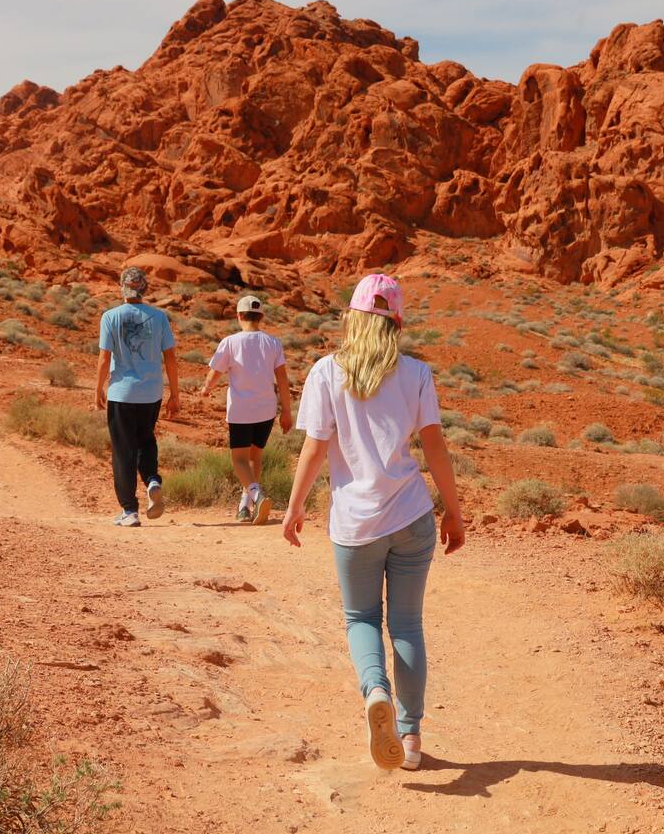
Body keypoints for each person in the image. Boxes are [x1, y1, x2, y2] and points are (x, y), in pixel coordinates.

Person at [282, 273, 465, 772]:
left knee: (361, 618)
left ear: (353, 319)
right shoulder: (417, 373)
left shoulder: (326, 372)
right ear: (397, 324)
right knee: (407, 623)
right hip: (411, 515)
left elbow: (315, 447)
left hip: (355, 523)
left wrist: (295, 506)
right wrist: (453, 511)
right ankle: (410, 737)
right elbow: (435, 447)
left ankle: (375, 692)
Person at [95, 266, 180, 528]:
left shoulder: (110, 317)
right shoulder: (159, 317)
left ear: (121, 287)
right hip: (151, 393)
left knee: (123, 451)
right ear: (145, 288)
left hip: (121, 393)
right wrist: (175, 394)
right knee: (145, 440)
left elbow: (104, 358)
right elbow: (170, 358)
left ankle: (130, 511)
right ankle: (152, 479)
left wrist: (98, 388)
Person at [199, 295, 294, 524]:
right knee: (254, 457)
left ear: (239, 315)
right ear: (261, 316)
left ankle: (257, 496)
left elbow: (215, 373)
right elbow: (282, 379)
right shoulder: (273, 342)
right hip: (266, 410)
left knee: (239, 460)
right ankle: (245, 506)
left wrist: (206, 388)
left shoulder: (230, 342)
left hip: (241, 411)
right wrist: (287, 411)